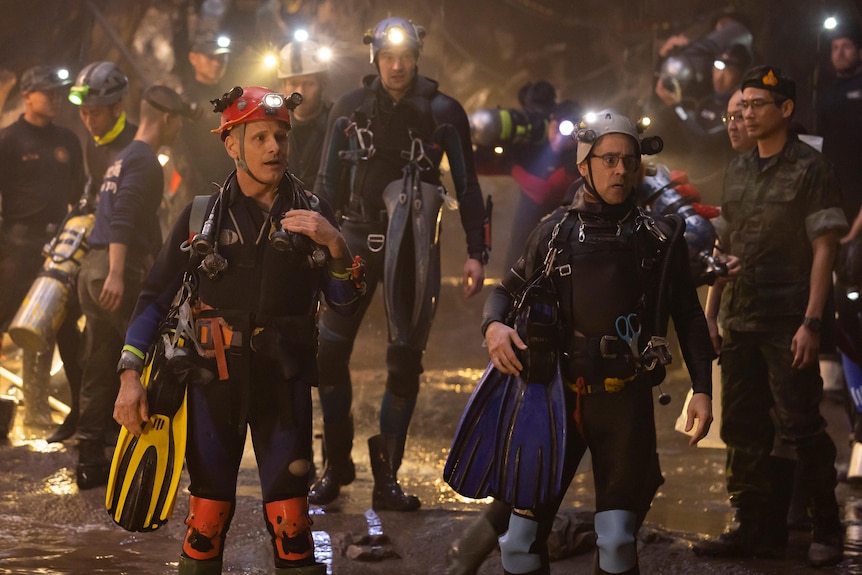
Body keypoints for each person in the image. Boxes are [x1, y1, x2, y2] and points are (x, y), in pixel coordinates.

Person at [113, 85, 363, 575]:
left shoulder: (312, 215)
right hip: (213, 383)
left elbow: (344, 305)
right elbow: (153, 299)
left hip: (282, 382)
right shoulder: (199, 215)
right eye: (261, 138)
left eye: (281, 137)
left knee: (292, 522)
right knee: (205, 519)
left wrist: (335, 244)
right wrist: (129, 372)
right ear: (231, 144)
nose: (274, 147)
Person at [472, 110, 713, 575]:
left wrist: (701, 388)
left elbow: (688, 316)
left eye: (629, 161)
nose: (620, 170)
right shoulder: (554, 232)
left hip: (623, 403)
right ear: (584, 166)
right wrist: (494, 328)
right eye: (608, 160)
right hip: (552, 400)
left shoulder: (659, 239)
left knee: (619, 541)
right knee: (519, 544)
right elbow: (505, 291)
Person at [310, 16, 487, 511]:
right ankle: (335, 465)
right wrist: (315, 239)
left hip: (413, 246)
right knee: (327, 355)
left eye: (405, 56)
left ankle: (387, 478)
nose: (396, 65)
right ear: (374, 57)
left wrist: (477, 252)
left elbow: (468, 186)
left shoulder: (443, 112)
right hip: (352, 238)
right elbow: (326, 181)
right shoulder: (349, 108)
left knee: (404, 361)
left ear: (416, 56)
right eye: (387, 56)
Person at [693, 66, 847, 567]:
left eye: (759, 105)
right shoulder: (737, 168)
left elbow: (824, 250)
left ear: (785, 110)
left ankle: (826, 524)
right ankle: (754, 526)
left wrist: (812, 323)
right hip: (740, 318)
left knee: (800, 424)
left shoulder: (809, 168)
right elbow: (725, 244)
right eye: (743, 106)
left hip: (788, 322)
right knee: (743, 428)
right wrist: (711, 315)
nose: (748, 114)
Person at [74, 85, 189, 490]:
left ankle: (90, 457)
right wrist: (119, 273)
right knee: (142, 359)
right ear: (167, 119)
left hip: (90, 268)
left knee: (98, 360)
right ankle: (144, 455)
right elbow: (122, 217)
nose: (178, 132)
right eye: (178, 124)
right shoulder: (143, 161)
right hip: (111, 269)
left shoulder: (120, 158)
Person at [0, 65, 85, 433]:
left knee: (62, 325)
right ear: (27, 95)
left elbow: (80, 195)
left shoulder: (67, 139)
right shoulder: (8, 141)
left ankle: (71, 412)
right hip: (16, 246)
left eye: (57, 92)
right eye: (47, 92)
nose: (54, 99)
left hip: (57, 249)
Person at [816, 23, 862, 478]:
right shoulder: (825, 95)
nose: (841, 52)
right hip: (836, 222)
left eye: (848, 44)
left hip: (857, 226)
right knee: (843, 318)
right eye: (835, 46)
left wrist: (856, 226)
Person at [472, 81, 582, 267]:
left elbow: (544, 191)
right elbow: (480, 167)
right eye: (555, 124)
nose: (558, 133)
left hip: (563, 238)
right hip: (526, 237)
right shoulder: (536, 149)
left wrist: (512, 167)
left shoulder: (579, 159)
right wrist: (481, 145)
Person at [652, 44, 750, 204]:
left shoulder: (740, 111)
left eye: (729, 70)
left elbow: (703, 142)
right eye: (717, 67)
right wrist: (660, 63)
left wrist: (676, 107)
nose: (719, 76)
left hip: (720, 192)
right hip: (693, 186)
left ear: (741, 75)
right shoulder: (704, 103)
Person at [169, 31, 237, 226]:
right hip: (198, 194)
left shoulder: (232, 97)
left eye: (221, 57)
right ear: (193, 58)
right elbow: (181, 152)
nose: (217, 63)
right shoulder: (185, 103)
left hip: (232, 188)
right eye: (210, 58)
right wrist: (201, 188)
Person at [68, 61, 137, 207]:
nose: (88, 121)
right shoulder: (95, 141)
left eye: (95, 113)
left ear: (116, 109)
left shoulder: (136, 146)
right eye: (83, 112)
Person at [277, 37, 333, 191]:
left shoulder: (337, 123)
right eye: (294, 84)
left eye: (309, 83)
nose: (300, 92)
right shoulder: (274, 126)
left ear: (324, 83)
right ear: (283, 87)